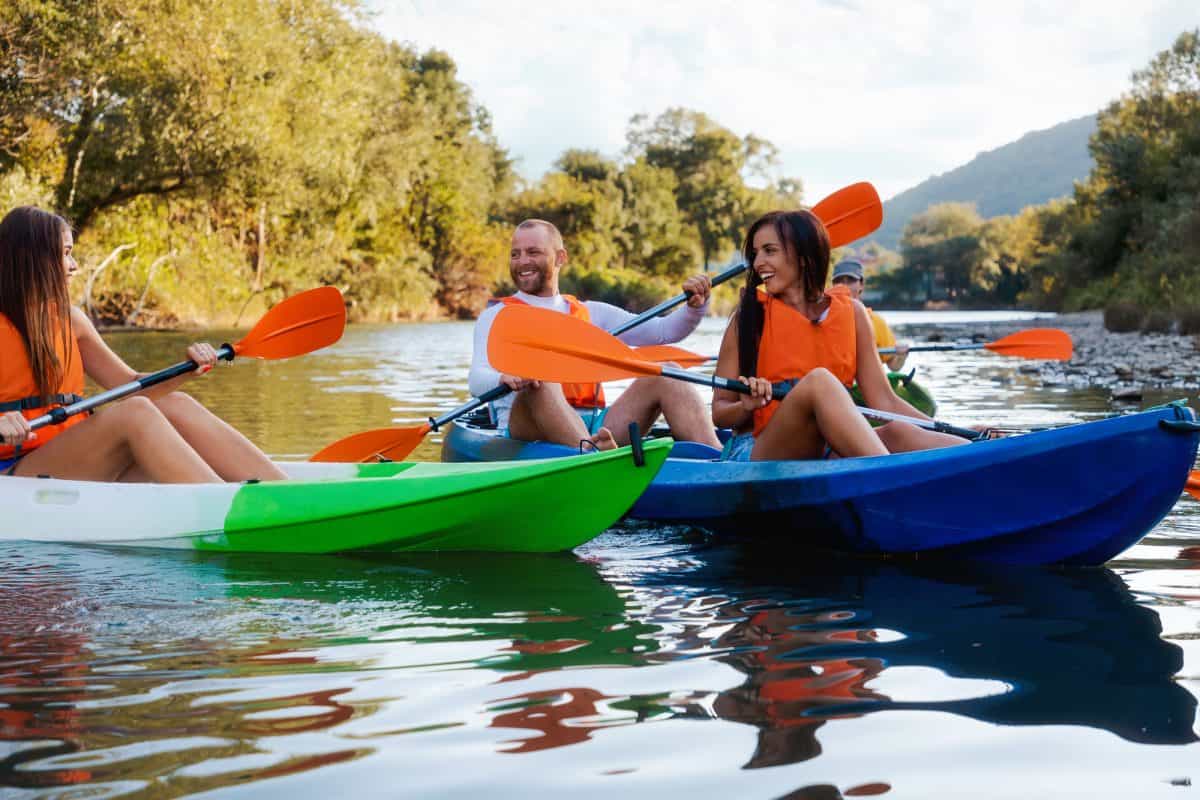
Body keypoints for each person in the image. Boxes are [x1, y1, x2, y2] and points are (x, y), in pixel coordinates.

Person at [0, 206, 288, 483]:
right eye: (65, 254)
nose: (74, 266)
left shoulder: (71, 322)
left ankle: (281, 491)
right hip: (15, 472)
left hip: (78, 460)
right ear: (33, 258)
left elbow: (131, 384)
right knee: (135, 414)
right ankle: (228, 508)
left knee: (172, 404)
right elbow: (133, 406)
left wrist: (188, 370)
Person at [712, 209, 967, 461]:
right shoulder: (747, 318)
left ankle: (977, 448)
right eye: (755, 254)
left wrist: (954, 429)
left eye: (770, 251)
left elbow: (885, 402)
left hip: (824, 445)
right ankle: (885, 478)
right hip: (756, 450)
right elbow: (720, 412)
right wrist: (746, 406)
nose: (757, 263)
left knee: (899, 432)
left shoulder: (853, 313)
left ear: (803, 256)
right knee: (820, 382)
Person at [469, 218, 722, 451]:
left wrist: (695, 307)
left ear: (560, 258)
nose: (522, 261)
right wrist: (503, 377)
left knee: (668, 372)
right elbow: (476, 379)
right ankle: (594, 458)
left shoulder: (592, 313)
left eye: (533, 252)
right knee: (541, 377)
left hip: (597, 426)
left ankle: (720, 463)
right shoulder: (496, 316)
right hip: (527, 427)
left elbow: (664, 332)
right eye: (515, 254)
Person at [829, 258, 908, 371]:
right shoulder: (822, 318)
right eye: (839, 281)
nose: (844, 286)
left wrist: (901, 356)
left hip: (866, 384)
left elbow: (894, 366)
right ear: (833, 286)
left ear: (861, 284)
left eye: (850, 280)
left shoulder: (876, 322)